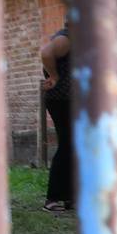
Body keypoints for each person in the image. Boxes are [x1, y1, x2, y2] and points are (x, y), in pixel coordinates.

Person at [39, 27, 72, 212]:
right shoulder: (66, 38)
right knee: (67, 145)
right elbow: (46, 53)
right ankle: (53, 198)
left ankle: (69, 196)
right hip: (62, 99)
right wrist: (54, 76)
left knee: (74, 146)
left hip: (71, 100)